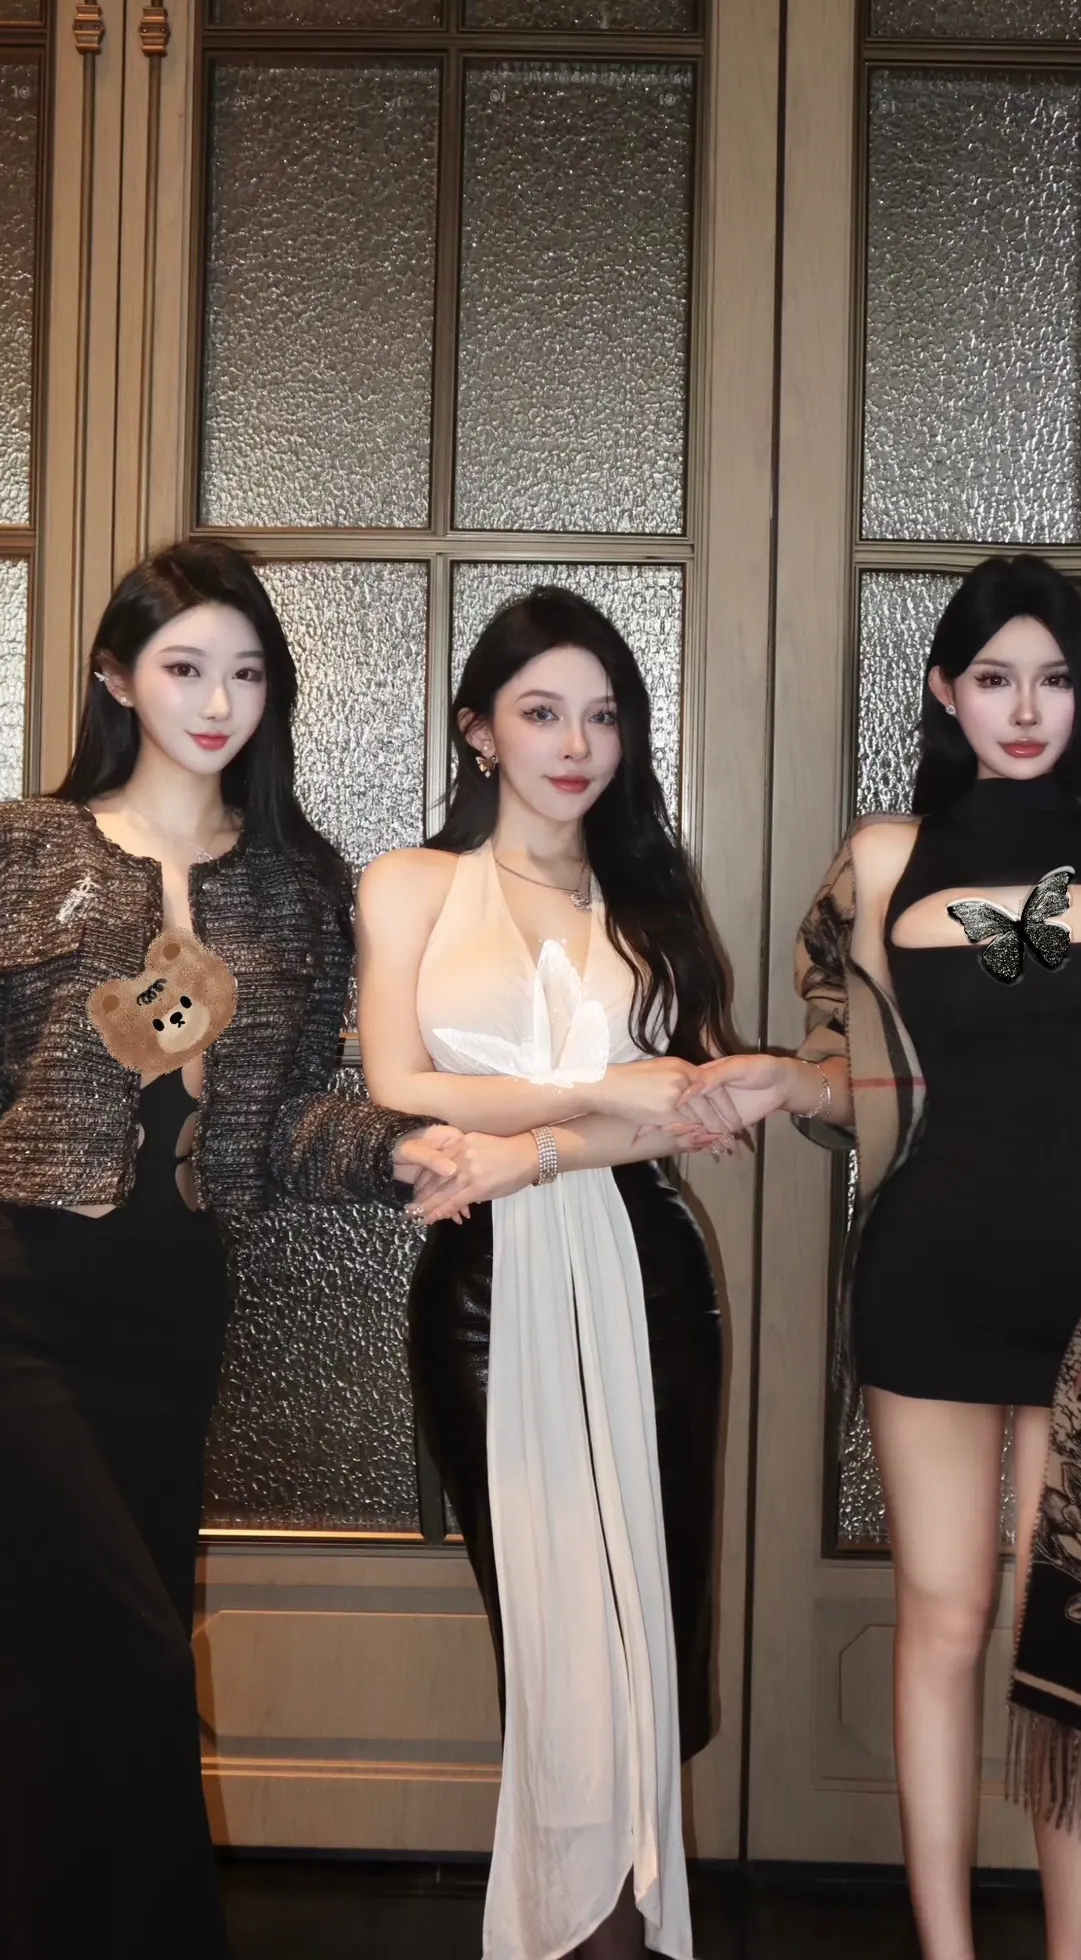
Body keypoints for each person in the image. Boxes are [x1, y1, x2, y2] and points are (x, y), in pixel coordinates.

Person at [0, 540, 450, 1960]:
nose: (218, 702)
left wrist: (400, 1152)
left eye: (247, 673)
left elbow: (281, 1130)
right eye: (185, 668)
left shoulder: (299, 888)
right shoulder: (10, 846)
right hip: (3, 1289)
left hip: (169, 1309)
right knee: (112, 1654)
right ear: (117, 678)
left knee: (86, 1655)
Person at [676, 555, 1081, 1960]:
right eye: (995, 678)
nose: (1026, 708)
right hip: (929, 1276)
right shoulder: (882, 859)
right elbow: (854, 1080)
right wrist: (778, 1080)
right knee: (942, 1614)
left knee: (1071, 1632)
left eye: (1054, 678)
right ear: (946, 691)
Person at [356, 586, 737, 1960]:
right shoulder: (411, 884)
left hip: (649, 1276)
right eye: (541, 713)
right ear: (480, 731)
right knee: (554, 1642)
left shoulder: (652, 894)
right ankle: (576, 1932)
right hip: (481, 1291)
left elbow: (691, 1112)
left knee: (650, 1628)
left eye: (602, 715)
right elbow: (399, 1082)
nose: (576, 745)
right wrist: (606, 1090)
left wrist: (542, 1141)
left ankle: (624, 1922)